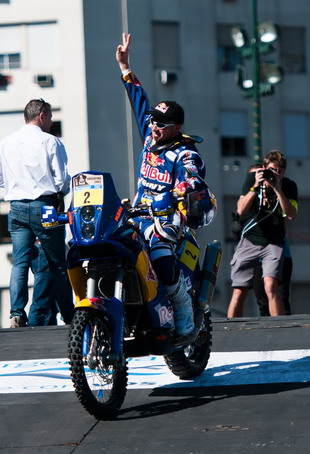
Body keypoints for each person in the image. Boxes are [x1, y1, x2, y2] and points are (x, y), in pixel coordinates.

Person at [116, 32, 210, 340]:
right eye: (153, 121)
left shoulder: (185, 151)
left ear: (177, 128)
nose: (154, 126)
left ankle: (182, 305)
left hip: (168, 216)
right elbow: (138, 100)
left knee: (158, 249)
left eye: (161, 123)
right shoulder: (150, 134)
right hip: (139, 212)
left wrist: (183, 187)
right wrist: (125, 67)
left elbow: (193, 174)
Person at [0, 98, 74, 328]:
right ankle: (69, 314)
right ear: (41, 116)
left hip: (16, 207)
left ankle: (16, 312)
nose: (50, 122)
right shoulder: (50, 141)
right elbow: (61, 181)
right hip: (44, 206)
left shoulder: (7, 141)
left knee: (19, 263)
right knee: (57, 262)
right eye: (49, 117)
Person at [227, 150, 298, 318]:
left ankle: (278, 326)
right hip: (250, 239)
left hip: (274, 242)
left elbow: (291, 214)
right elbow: (241, 209)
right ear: (265, 168)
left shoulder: (288, 186)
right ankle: (229, 329)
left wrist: (278, 189)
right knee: (239, 290)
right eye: (273, 169)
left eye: (280, 171)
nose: (276, 173)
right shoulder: (253, 179)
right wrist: (255, 187)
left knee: (271, 285)